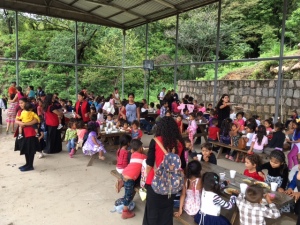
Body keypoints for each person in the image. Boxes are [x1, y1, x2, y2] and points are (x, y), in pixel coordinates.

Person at [143, 116, 186, 225]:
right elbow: (182, 166)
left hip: (155, 182)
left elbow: (149, 165)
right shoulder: (180, 143)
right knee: (166, 212)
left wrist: (147, 179)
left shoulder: (156, 141)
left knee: (152, 212)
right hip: (172, 184)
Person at [119, 139, 147, 219]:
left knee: (129, 189)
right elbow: (147, 160)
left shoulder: (133, 155)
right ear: (141, 148)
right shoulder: (143, 157)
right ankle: (125, 212)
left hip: (124, 173)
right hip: (130, 178)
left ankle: (122, 182)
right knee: (128, 195)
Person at [14, 98, 39, 172]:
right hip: (23, 132)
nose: (20, 104)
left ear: (26, 103)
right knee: (25, 148)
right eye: (19, 103)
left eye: (22, 103)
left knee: (30, 149)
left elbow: (36, 120)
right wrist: (21, 123)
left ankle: (30, 165)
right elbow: (16, 120)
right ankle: (27, 163)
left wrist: (24, 124)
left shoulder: (31, 111)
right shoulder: (19, 111)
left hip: (30, 132)